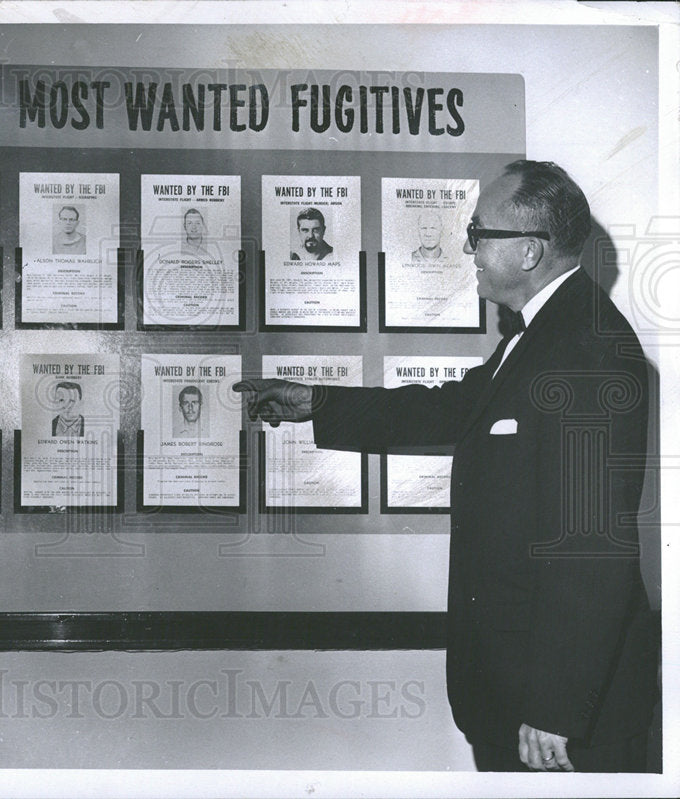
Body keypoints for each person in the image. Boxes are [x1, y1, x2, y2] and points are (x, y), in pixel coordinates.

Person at [236, 161, 657, 773]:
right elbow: (448, 409)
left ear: (530, 250)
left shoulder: (584, 353)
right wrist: (318, 402)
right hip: (520, 697)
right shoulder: (544, 335)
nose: (469, 248)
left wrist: (554, 709)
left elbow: (590, 548)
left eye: (479, 232)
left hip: (557, 719)